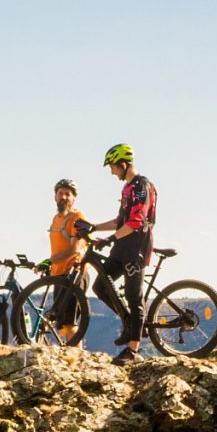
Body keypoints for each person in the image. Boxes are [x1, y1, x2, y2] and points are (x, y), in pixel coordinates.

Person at [90, 142, 157, 361]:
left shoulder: (141, 186)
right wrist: (94, 227)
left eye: (112, 167)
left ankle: (133, 350)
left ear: (123, 164)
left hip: (136, 247)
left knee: (133, 296)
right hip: (121, 247)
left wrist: (109, 238)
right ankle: (128, 322)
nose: (111, 171)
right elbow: (121, 221)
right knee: (101, 285)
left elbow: (136, 222)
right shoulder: (127, 188)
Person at [44, 178, 94, 345]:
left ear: (74, 199)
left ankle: (77, 358)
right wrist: (51, 266)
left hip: (74, 274)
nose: (64, 197)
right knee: (63, 322)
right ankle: (70, 353)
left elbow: (74, 249)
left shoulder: (78, 217)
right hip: (59, 275)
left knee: (69, 322)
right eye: (60, 193)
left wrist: (49, 261)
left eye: (68, 194)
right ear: (55, 197)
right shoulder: (56, 219)